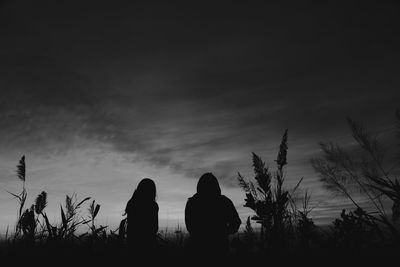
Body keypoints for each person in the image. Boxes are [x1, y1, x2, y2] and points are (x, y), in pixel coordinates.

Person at [185, 172, 242, 257]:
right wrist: (223, 231)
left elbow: (190, 227)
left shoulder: (192, 202)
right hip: (219, 248)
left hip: (197, 248)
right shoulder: (224, 202)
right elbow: (236, 223)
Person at [125, 178, 159, 254]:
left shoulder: (131, 203)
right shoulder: (153, 206)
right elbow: (154, 227)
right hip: (149, 243)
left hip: (132, 241)